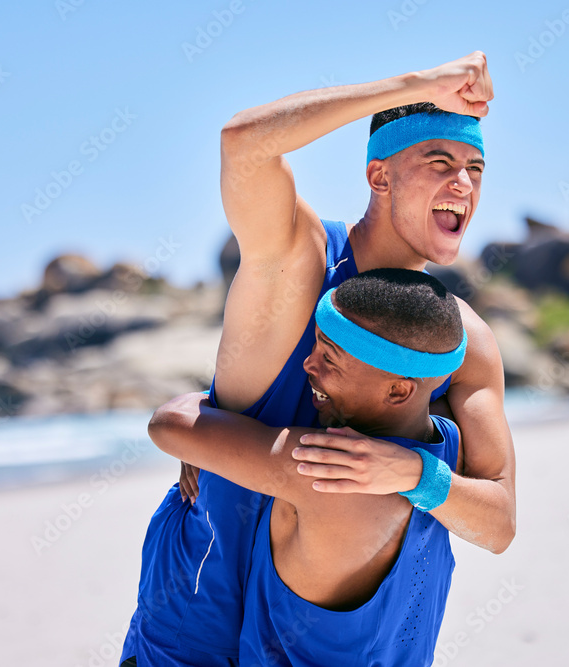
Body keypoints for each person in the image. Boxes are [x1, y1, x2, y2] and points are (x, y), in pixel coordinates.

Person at [119, 50, 515, 665]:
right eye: (440, 163)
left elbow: (496, 523)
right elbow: (244, 144)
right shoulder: (300, 262)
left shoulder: (460, 340)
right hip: (198, 622)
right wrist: (414, 86)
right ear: (379, 177)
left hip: (358, 642)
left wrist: (415, 475)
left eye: (475, 167)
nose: (463, 183)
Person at [151, 269, 468, 665]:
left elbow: (169, 425)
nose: (307, 365)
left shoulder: (330, 468)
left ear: (399, 389)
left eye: (329, 359)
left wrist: (214, 405)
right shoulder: (451, 446)